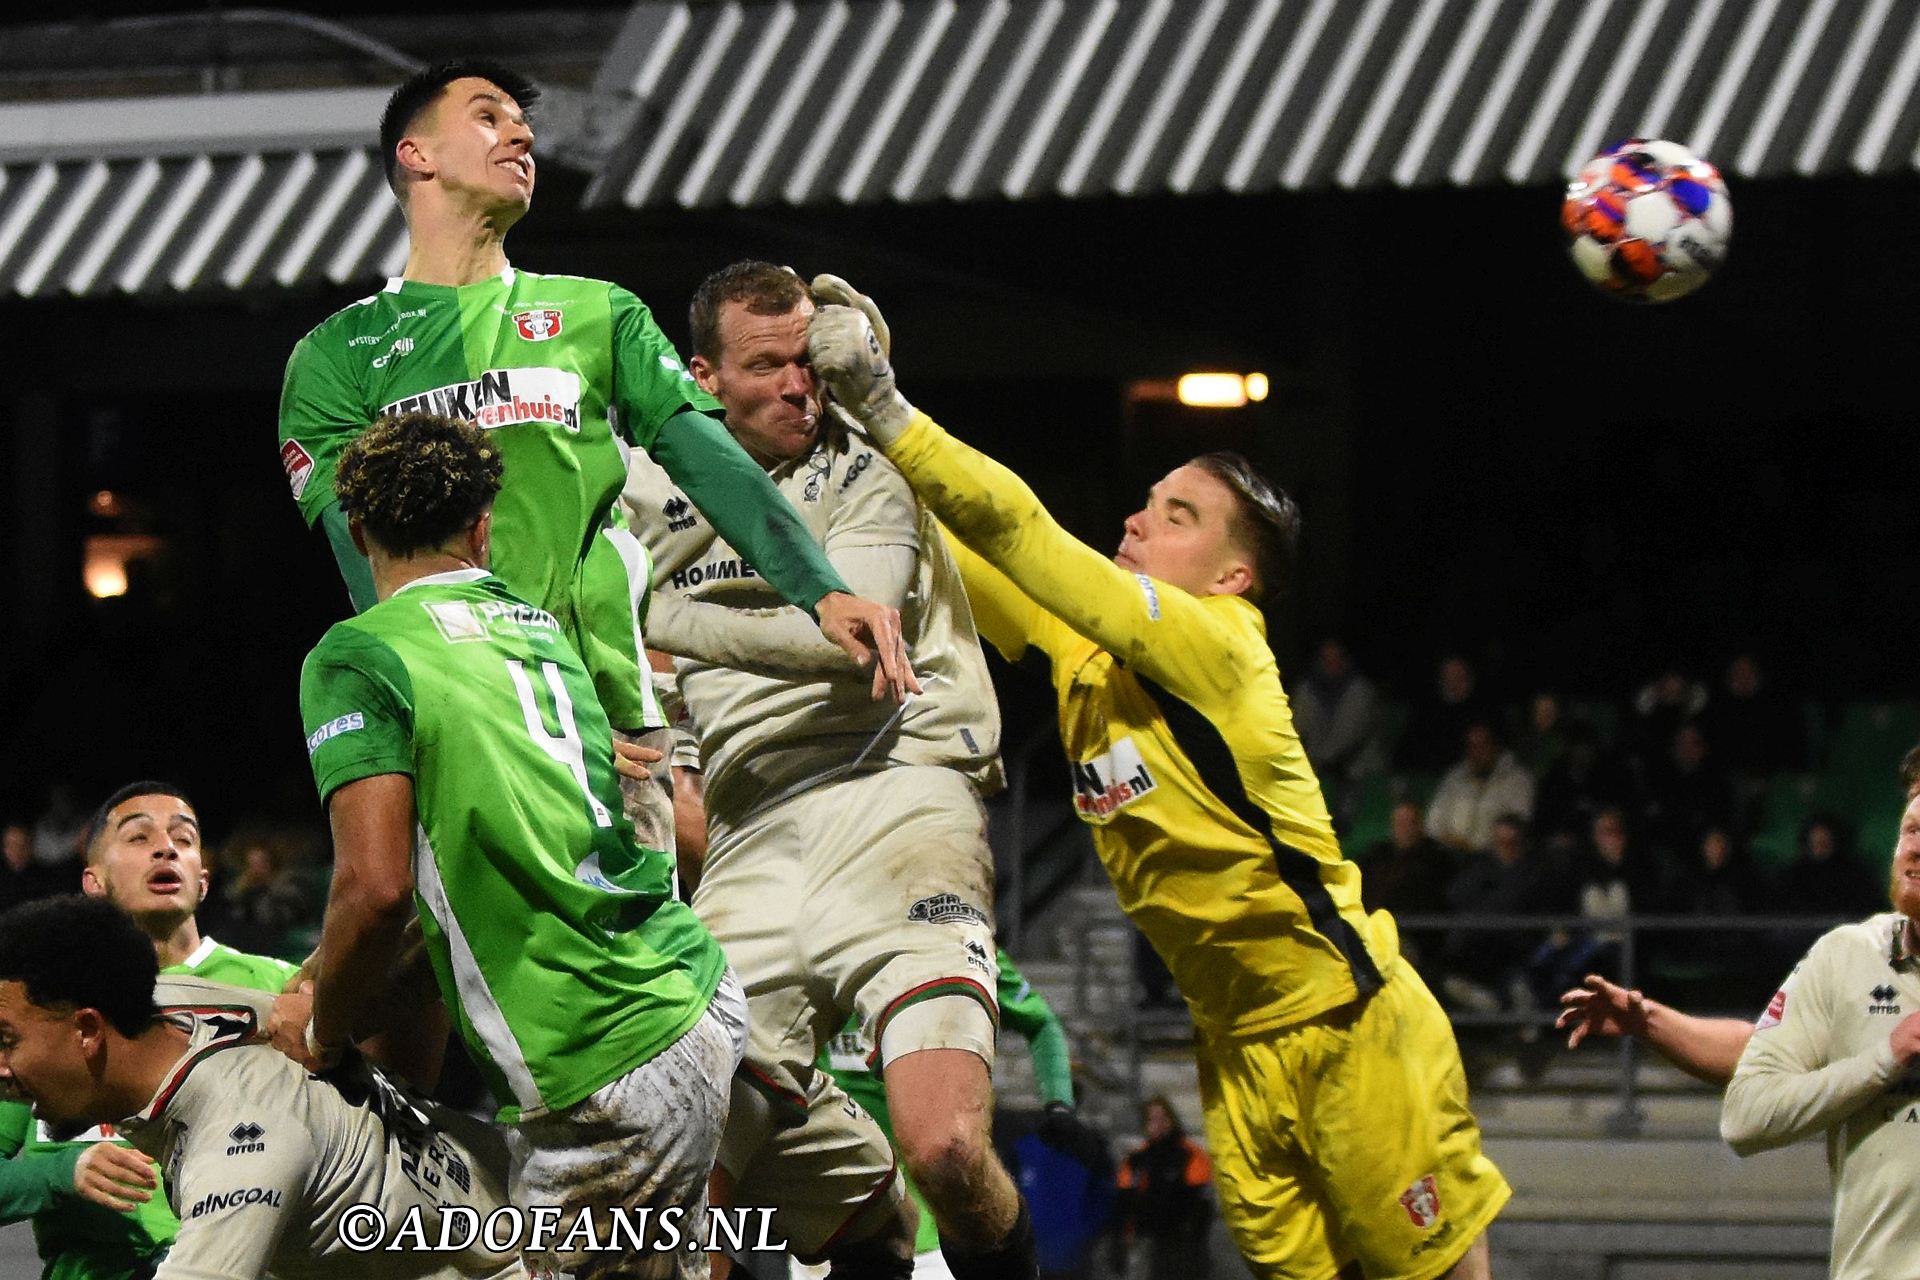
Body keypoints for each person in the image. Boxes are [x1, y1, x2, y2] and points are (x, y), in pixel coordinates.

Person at [808, 283, 1509, 1279]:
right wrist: (851, 426)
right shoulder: (1085, 647)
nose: (1139, 517)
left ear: (1232, 576)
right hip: (1230, 1045)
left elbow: (1023, 534)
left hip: (1346, 1021)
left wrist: (890, 407)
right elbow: (965, 543)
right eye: (1150, 499)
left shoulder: (1222, 645)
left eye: (1178, 516)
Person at [276, 60, 909, 850]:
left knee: (639, 960)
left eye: (521, 122)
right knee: (483, 969)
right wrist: (503, 709)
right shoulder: (335, 357)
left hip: (613, 717)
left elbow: (709, 460)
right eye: (487, 117)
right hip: (459, 715)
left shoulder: (599, 313)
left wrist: (821, 590)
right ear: (417, 155)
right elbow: (366, 561)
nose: (522, 134)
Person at [624, 262, 1026, 1279]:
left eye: (809, 359)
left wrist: (649, 613)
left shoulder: (868, 464)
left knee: (943, 1145)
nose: (800, 384)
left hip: (901, 792)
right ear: (703, 377)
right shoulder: (643, 480)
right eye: (768, 365)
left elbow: (852, 637)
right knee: (678, 1165)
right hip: (752, 831)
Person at [280, 412, 745, 1280]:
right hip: (687, 988)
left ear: (355, 528)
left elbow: (376, 892)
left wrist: (324, 1031)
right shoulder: (538, 631)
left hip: (607, 1062)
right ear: (483, 527)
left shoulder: (357, 656)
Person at [0, 895, 518, 1280]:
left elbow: (382, 903)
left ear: (89, 1031)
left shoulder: (238, 1147)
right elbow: (415, 949)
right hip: (506, 1177)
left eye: (7, 1041)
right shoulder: (162, 1001)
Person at [0, 782, 301, 1280]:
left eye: (183, 840)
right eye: (138, 838)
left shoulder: (277, 992)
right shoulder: (43, 1003)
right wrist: (60, 1174)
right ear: (92, 882)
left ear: (202, 881)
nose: (166, 848)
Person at [1720, 781, 1920, 1280]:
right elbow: (1745, 1115)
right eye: (1910, 830)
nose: (1914, 846)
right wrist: (1884, 1061)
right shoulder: (1846, 956)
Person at [786, 947, 1085, 1280]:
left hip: (934, 1229)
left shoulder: (955, 932)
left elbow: (1040, 1021)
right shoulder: (820, 936)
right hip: (834, 1223)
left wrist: (1059, 1101)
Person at [1112, 1096, 1213, 1280]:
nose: (1158, 1124)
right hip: (1144, 1245)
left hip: (1180, 1248)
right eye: (1152, 1119)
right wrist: (1118, 1244)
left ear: (1172, 1120)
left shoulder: (1192, 1156)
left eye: (1163, 1118)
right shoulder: (1136, 1160)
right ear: (1145, 1124)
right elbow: (1122, 1205)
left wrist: (1194, 1251)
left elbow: (1201, 1210)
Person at [1425, 721, 1536, 855]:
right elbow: (1433, 820)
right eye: (1472, 746)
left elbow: (1518, 826)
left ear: (1496, 747)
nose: (1477, 752)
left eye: (1483, 745)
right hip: (1448, 854)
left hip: (1491, 858)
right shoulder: (1454, 776)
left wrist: (1474, 846)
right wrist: (1447, 840)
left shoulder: (1518, 780)